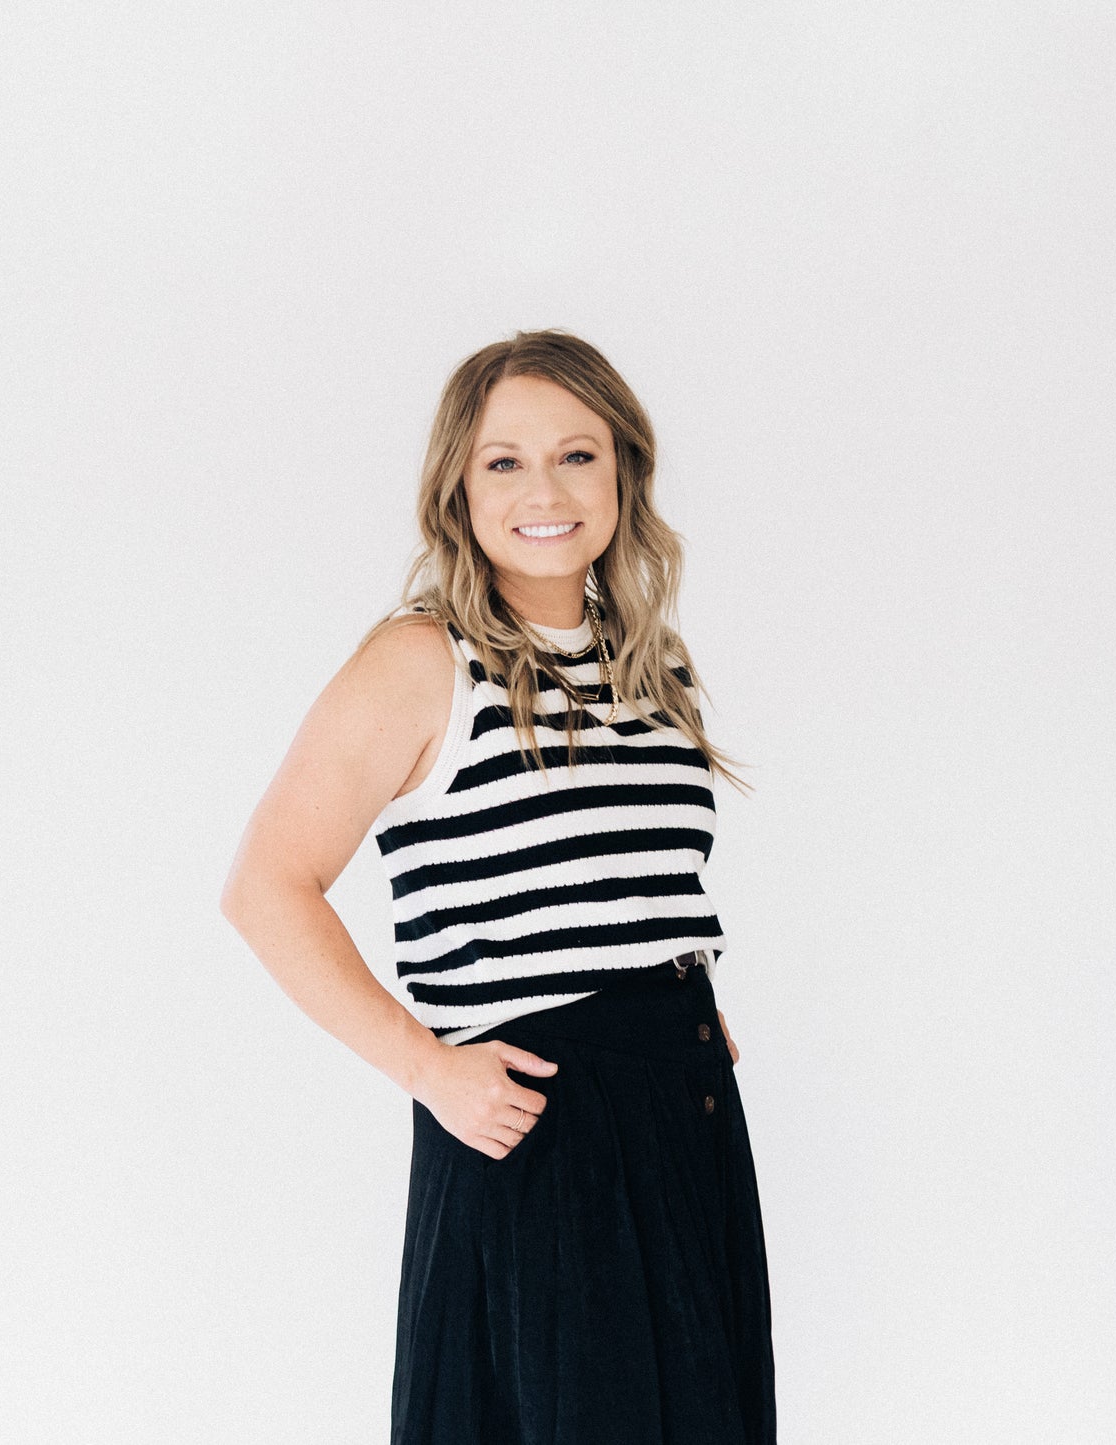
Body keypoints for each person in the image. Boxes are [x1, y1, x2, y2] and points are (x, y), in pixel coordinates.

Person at [220, 328, 777, 1444]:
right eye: (504, 461)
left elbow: (625, 876)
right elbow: (266, 885)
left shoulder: (649, 664)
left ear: (621, 470)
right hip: (533, 1123)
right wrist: (426, 1068)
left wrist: (674, 992)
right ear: (458, 487)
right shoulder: (424, 659)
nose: (545, 491)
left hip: (683, 1115)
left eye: (576, 455)